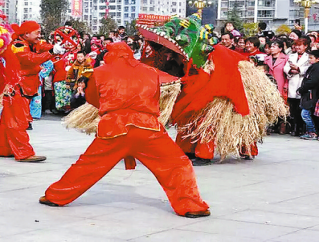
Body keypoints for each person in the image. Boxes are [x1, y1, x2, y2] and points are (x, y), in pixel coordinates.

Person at [39, 43, 210, 218]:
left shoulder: (99, 72)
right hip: (148, 127)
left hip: (114, 127)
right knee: (177, 164)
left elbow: (93, 99)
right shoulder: (150, 71)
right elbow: (155, 98)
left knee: (88, 166)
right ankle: (191, 205)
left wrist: (112, 110)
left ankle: (56, 195)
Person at [0, 21, 50, 162]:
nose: (40, 35)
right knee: (17, 121)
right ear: (26, 34)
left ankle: (4, 149)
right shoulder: (18, 46)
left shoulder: (30, 43)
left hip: (23, 86)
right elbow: (29, 59)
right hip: (17, 87)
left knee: (8, 119)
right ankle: (24, 152)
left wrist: (56, 48)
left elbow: (42, 46)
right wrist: (52, 53)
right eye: (37, 32)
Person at [284, 38, 310, 136]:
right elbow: (285, 67)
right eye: (297, 45)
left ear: (306, 46)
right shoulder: (291, 56)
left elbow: (309, 68)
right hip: (292, 82)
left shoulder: (308, 57)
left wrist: (299, 69)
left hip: (301, 82)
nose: (298, 47)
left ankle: (301, 128)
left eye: (300, 45)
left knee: (301, 108)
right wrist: (290, 70)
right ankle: (294, 127)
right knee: (293, 108)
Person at [298, 50, 319, 140]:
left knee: (305, 113)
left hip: (311, 94)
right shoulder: (313, 67)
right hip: (309, 93)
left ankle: (312, 131)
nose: (310, 60)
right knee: (307, 113)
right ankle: (310, 131)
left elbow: (313, 81)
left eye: (311, 58)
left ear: (318, 59)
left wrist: (302, 89)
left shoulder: (317, 68)